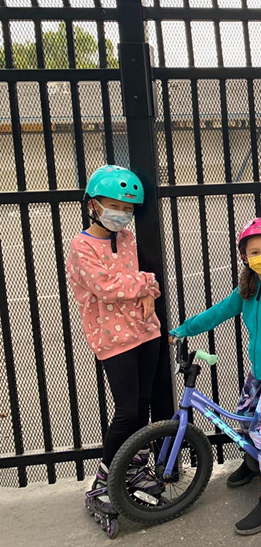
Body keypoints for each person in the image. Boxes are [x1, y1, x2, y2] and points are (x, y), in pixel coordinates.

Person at [169, 218, 261, 535]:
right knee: (245, 417)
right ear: (245, 256)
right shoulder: (248, 287)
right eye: (255, 251)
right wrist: (182, 329)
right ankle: (252, 464)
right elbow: (217, 313)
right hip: (260, 367)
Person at [66, 165, 164, 515]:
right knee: (125, 411)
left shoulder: (126, 239)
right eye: (114, 205)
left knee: (142, 404)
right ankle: (103, 481)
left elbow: (138, 282)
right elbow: (106, 287)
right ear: (93, 204)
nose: (122, 214)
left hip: (146, 331)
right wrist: (146, 283)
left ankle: (134, 467)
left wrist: (145, 285)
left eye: (127, 208)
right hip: (113, 339)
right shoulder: (81, 245)